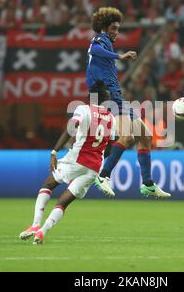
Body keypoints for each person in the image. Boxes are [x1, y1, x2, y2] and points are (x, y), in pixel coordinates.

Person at [86, 6, 171, 199]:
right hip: (107, 96)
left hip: (117, 96)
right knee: (127, 137)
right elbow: (95, 49)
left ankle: (148, 184)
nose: (116, 32)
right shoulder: (100, 40)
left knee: (145, 135)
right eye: (113, 28)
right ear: (104, 27)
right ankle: (103, 175)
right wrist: (120, 56)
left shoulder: (107, 41)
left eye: (118, 28)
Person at [19, 81, 116, 244]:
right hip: (93, 168)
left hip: (75, 160)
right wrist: (96, 156)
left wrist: (54, 152)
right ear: (106, 99)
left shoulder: (83, 109)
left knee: (47, 185)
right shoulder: (111, 118)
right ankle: (42, 233)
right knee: (63, 203)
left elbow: (70, 129)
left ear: (89, 97)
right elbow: (110, 150)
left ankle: (36, 225)